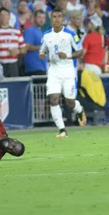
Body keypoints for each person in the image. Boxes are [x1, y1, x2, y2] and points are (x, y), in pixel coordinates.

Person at [39, 9, 87, 138]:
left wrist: (68, 55)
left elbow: (81, 51)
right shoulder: (46, 35)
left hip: (68, 72)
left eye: (59, 16)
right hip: (53, 72)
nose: (57, 19)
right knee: (53, 99)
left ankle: (79, 109)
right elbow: (42, 50)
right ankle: (62, 130)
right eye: (54, 17)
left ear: (63, 19)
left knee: (69, 101)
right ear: (51, 19)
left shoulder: (70, 34)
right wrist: (42, 54)